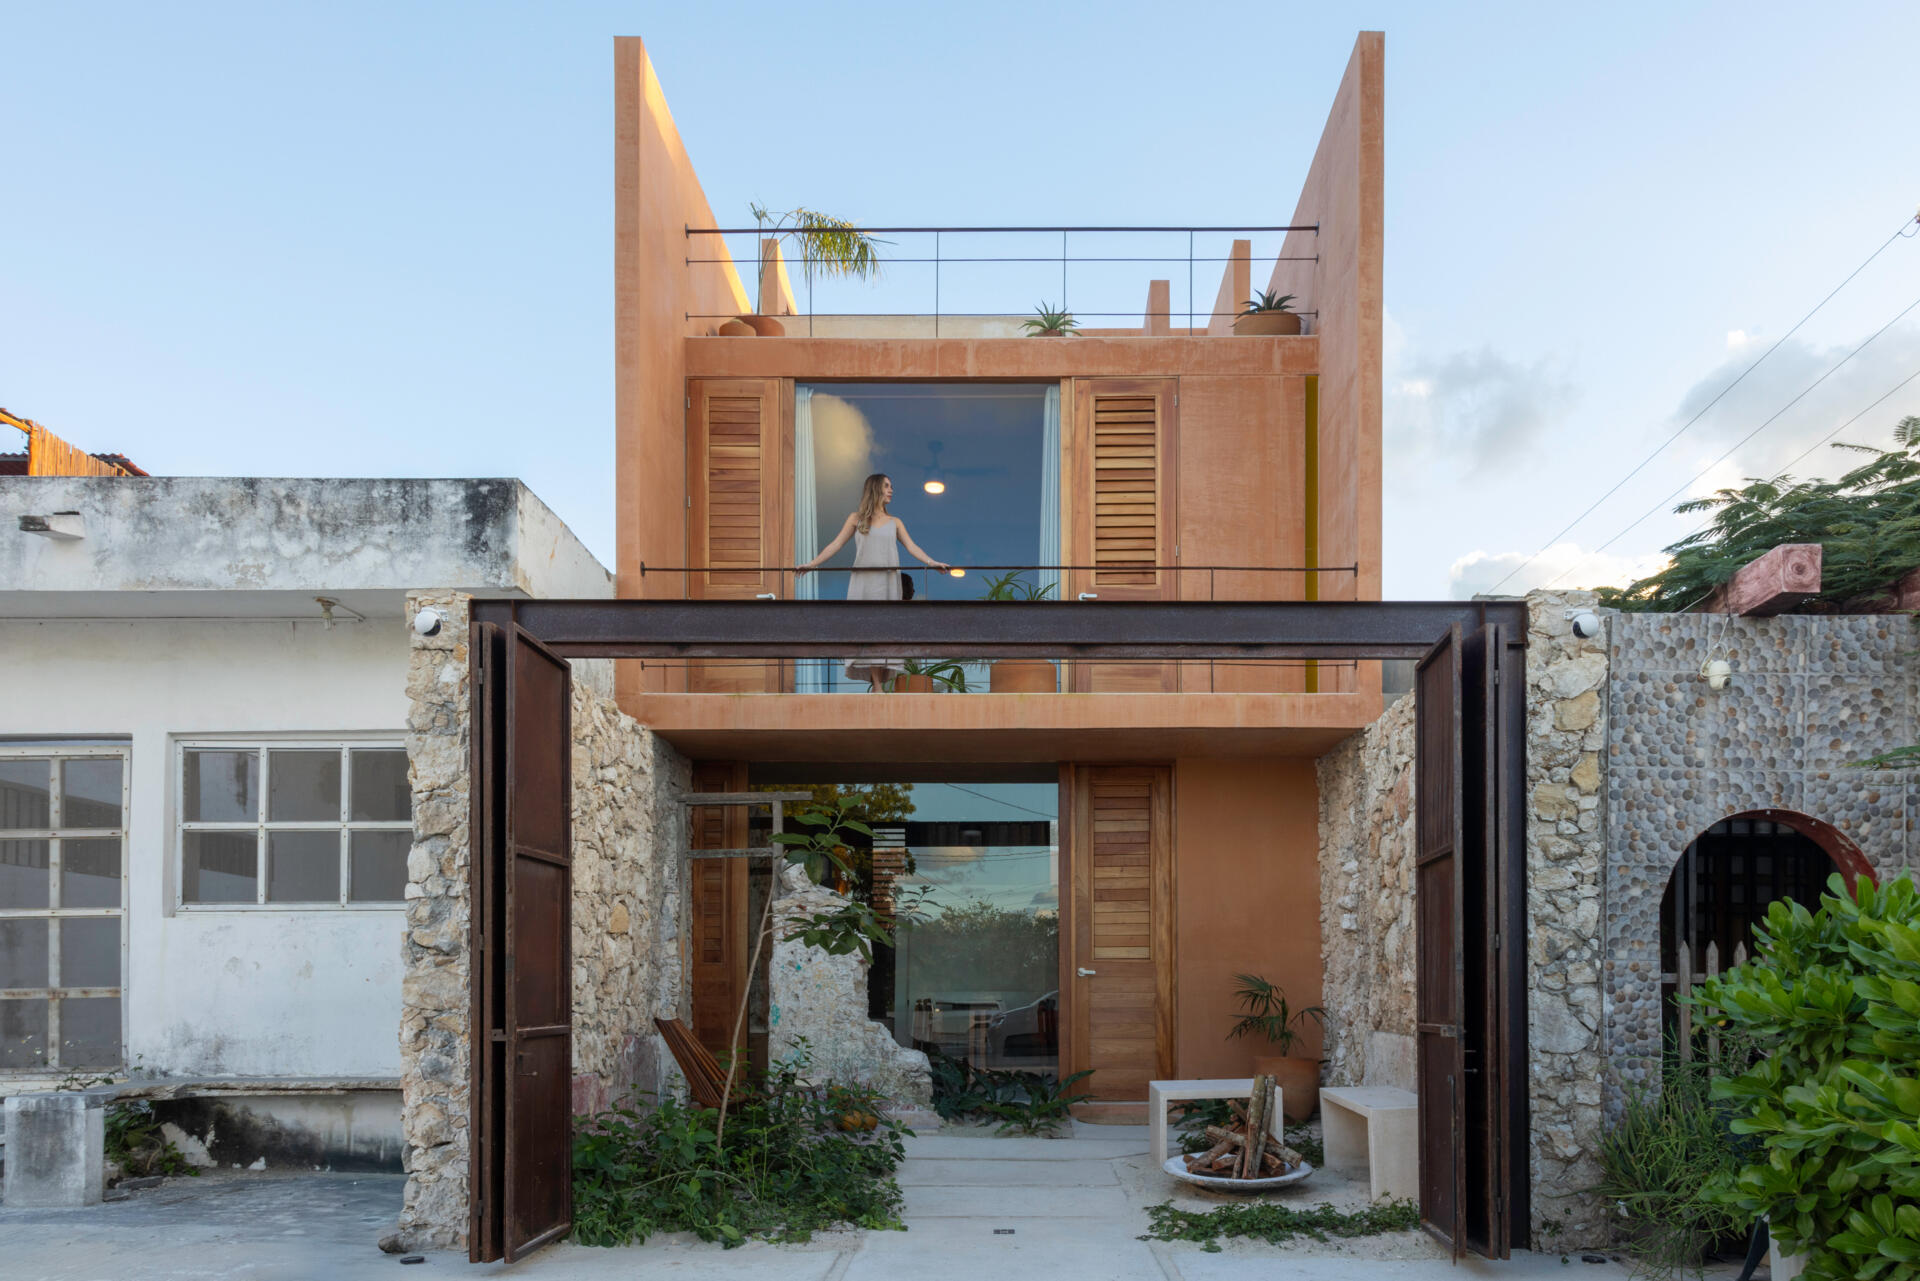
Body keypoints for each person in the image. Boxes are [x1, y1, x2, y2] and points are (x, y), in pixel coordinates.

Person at [797, 473, 949, 689]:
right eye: (887, 486)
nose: (891, 490)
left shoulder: (895, 522)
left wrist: (932, 563)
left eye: (891, 486)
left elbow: (912, 546)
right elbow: (836, 544)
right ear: (875, 488)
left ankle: (878, 684)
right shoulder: (856, 519)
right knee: (866, 629)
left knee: (883, 629)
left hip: (887, 582)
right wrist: (812, 564)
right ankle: (877, 684)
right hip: (864, 582)